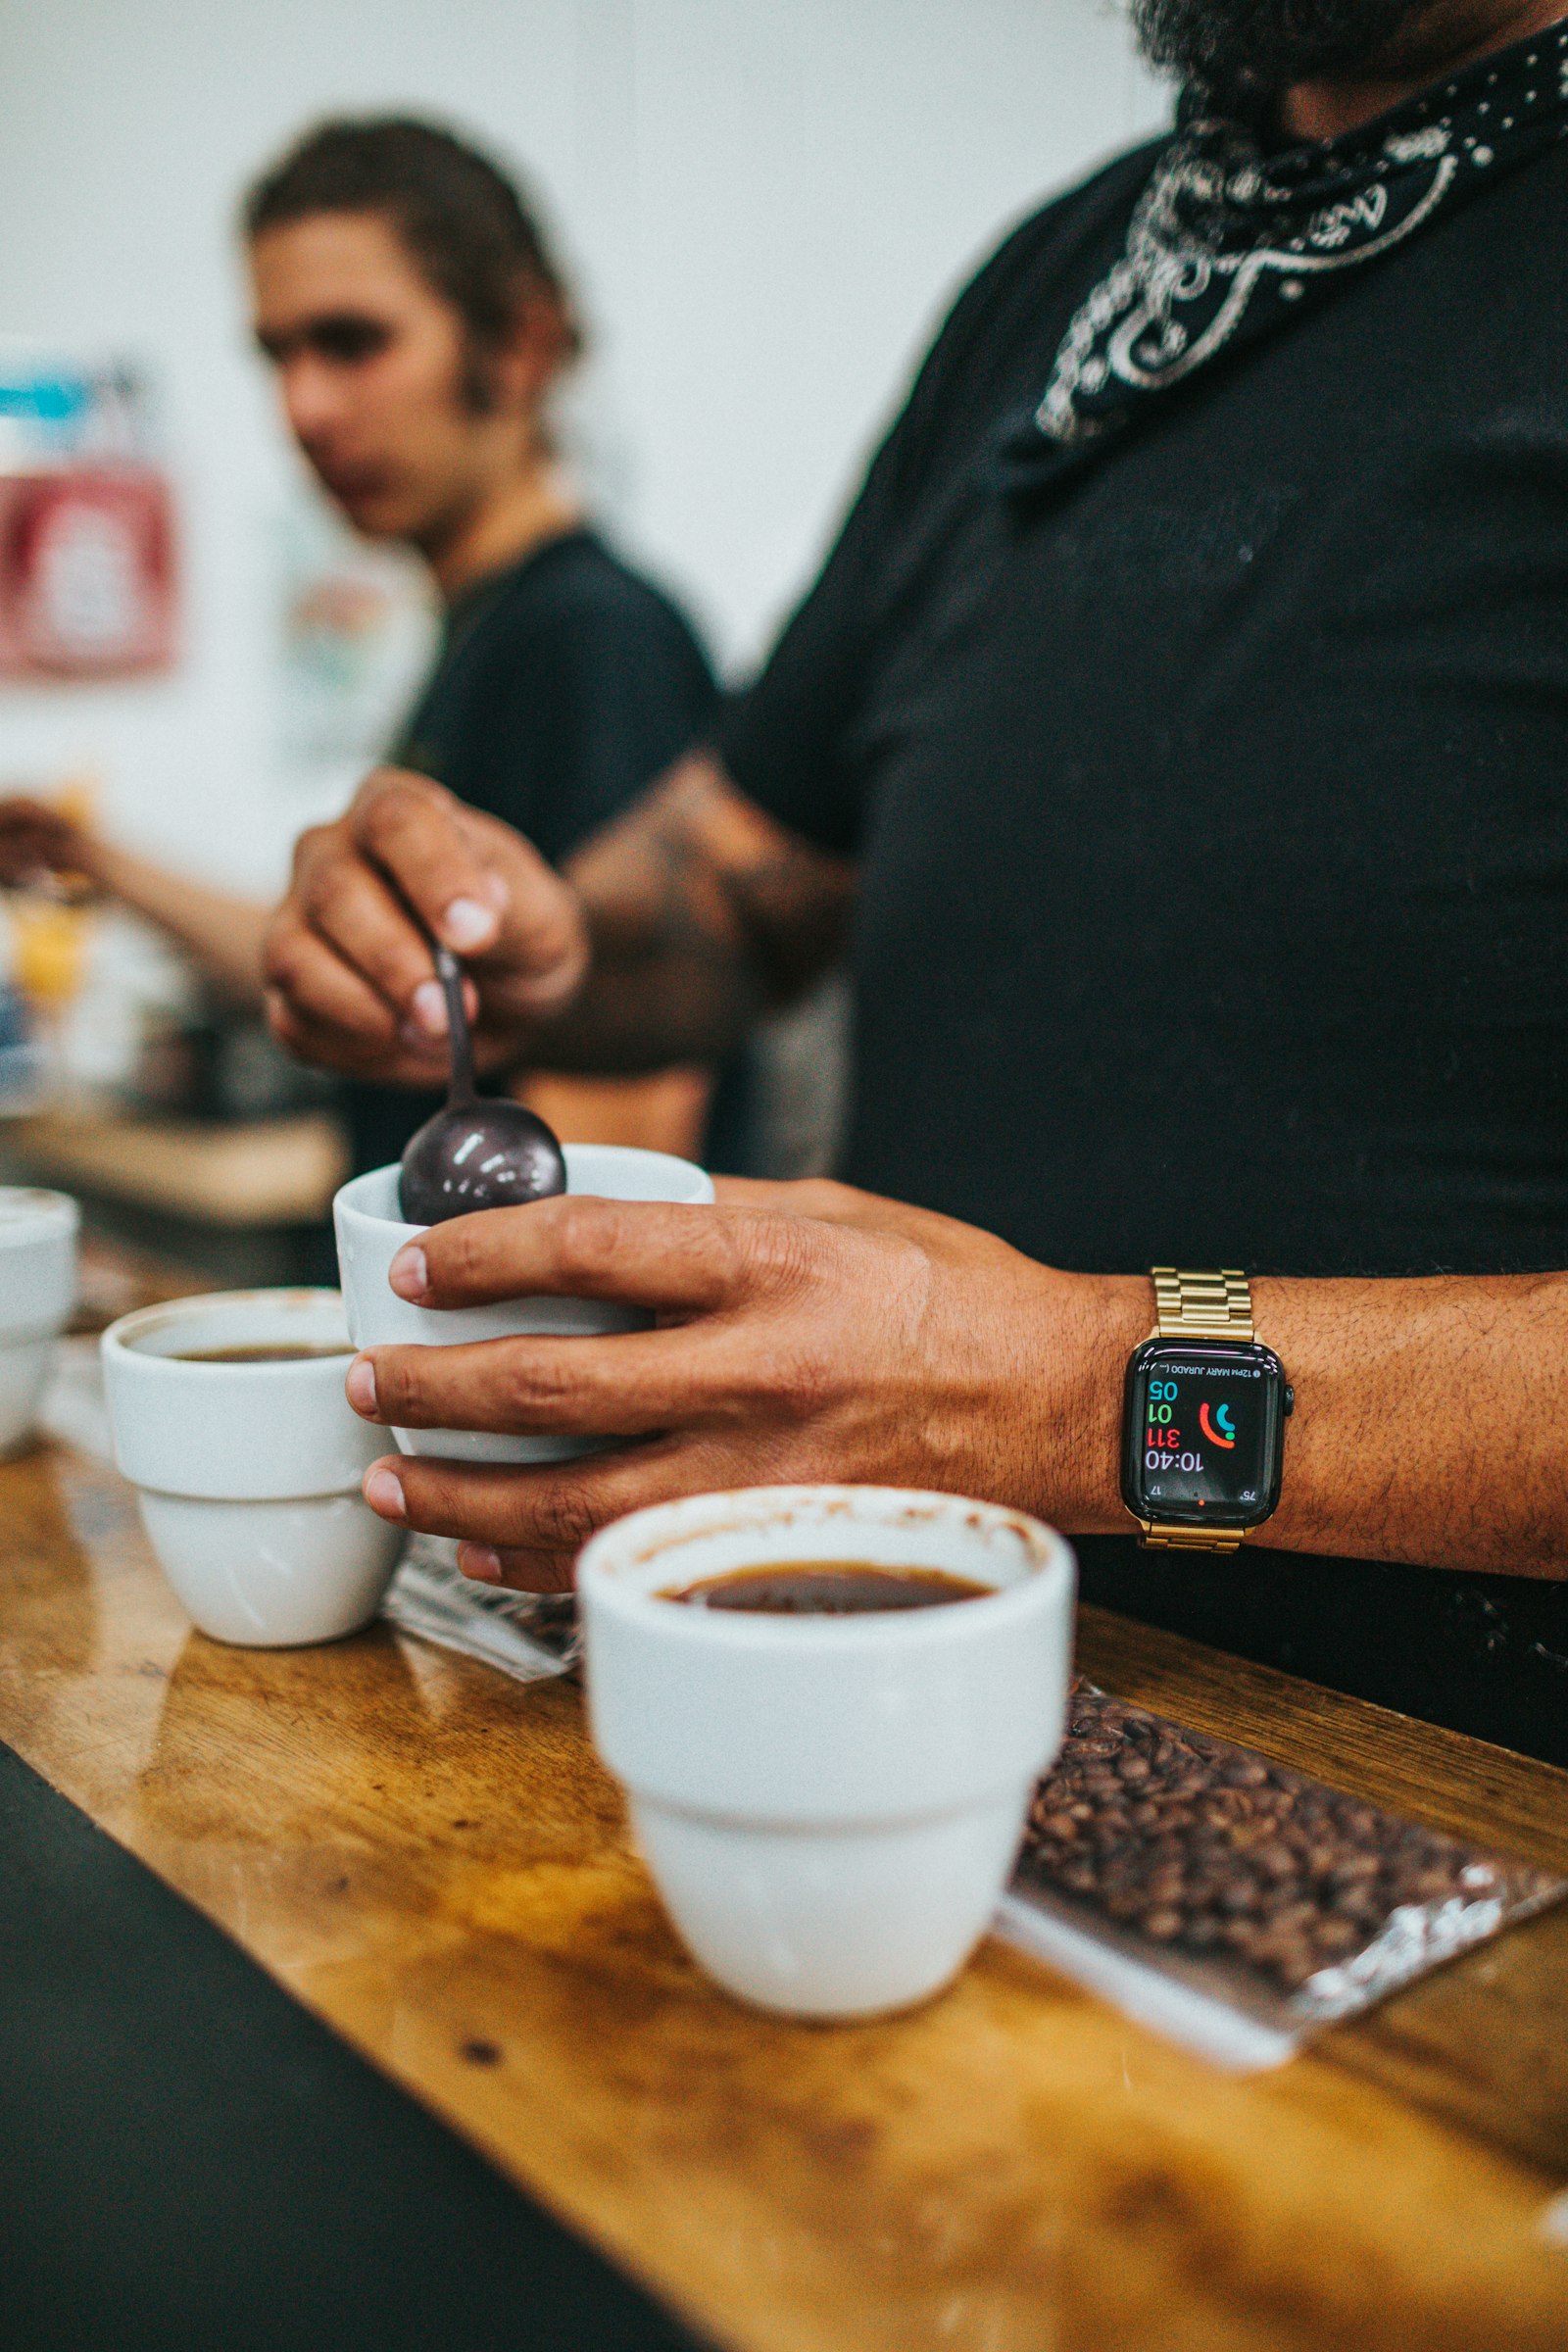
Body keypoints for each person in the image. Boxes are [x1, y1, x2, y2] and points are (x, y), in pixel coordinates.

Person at [262, 0, 1568, 1766]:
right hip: (906, 1698)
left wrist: (1064, 1391)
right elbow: (733, 879)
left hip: (1459, 1800)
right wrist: (520, 936)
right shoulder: (1069, 280)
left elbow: (1034, 1390)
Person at [0, 116, 722, 1163]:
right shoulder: (490, 631)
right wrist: (94, 862)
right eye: (277, 355)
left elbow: (616, 1150)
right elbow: (356, 972)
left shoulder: (589, 644)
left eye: (351, 342)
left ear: (520, 344)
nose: (301, 406)